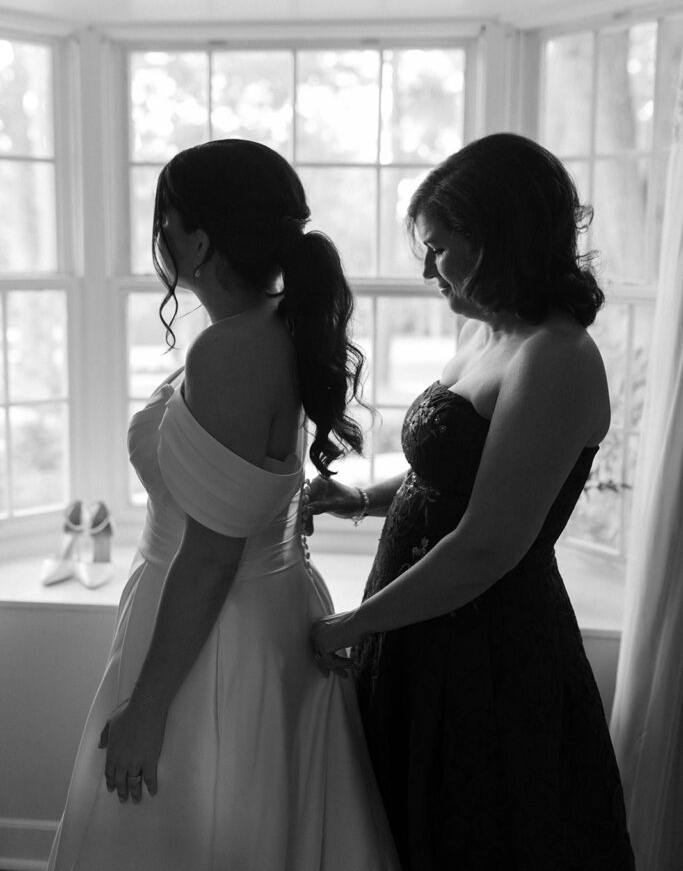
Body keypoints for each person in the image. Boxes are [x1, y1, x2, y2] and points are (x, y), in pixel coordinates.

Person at [48, 139, 399, 871]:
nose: (155, 241)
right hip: (241, 609)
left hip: (214, 631)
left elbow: (209, 556)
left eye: (162, 223)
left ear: (196, 239)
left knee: (195, 830)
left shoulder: (234, 349)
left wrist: (148, 710)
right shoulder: (267, 328)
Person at [308, 133, 636, 870]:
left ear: (499, 238)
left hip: (484, 650)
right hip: (419, 624)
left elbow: (486, 543)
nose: (425, 268)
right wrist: (358, 498)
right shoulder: (487, 333)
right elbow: (448, 477)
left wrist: (347, 626)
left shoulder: (555, 358)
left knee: (472, 835)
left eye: (439, 247)